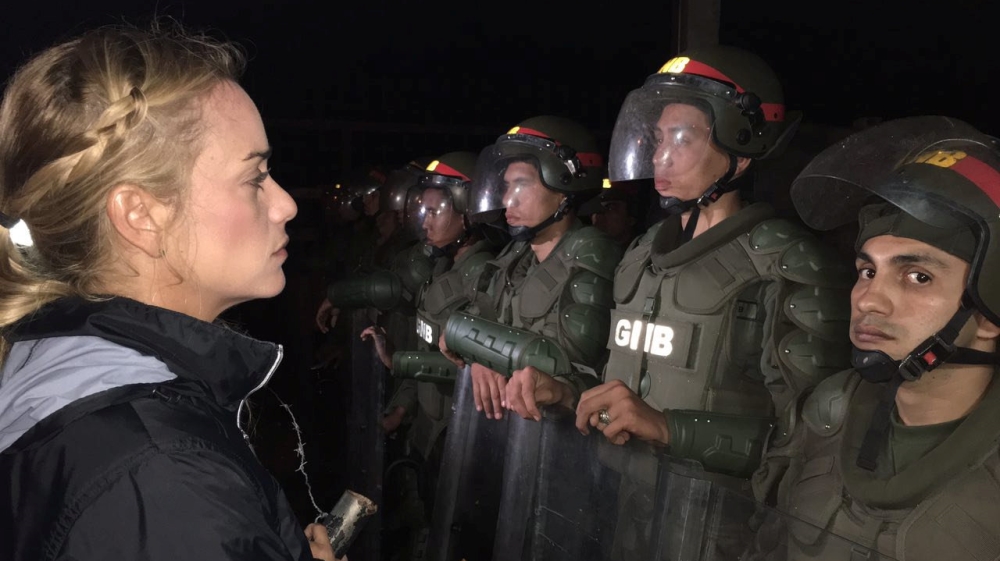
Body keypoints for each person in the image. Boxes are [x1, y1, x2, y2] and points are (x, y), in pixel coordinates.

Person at [0, 25, 341, 561]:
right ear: (141, 215)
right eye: (255, 178)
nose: (286, 205)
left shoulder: (54, 356)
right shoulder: (166, 478)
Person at [570, 45, 853, 559]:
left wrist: (670, 429)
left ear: (741, 153)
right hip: (621, 513)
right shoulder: (639, 258)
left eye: (682, 139)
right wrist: (564, 392)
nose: (660, 156)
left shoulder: (786, 266)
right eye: (659, 139)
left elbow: (809, 451)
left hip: (716, 533)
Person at [746, 116, 1000, 560]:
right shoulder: (827, 416)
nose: (868, 299)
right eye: (867, 271)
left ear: (988, 315)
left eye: (917, 276)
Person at [370, 152, 498, 561]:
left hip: (460, 438)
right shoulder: (441, 270)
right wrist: (402, 407)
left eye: (435, 211)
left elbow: (473, 372)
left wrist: (398, 362)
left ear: (467, 212)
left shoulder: (484, 278)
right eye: (422, 210)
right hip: (429, 430)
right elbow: (426, 348)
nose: (424, 221)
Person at [455, 115, 623, 421]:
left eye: (521, 185)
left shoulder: (592, 253)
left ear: (564, 188)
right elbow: (472, 315)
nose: (507, 199)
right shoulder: (517, 255)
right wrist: (478, 356)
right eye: (506, 186)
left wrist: (479, 349)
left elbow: (568, 363)